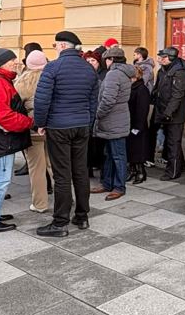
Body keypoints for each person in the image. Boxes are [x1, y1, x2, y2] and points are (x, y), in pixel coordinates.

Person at [33, 31, 99, 236]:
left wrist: (40, 123)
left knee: (62, 175)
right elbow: (93, 100)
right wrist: (88, 122)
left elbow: (42, 99)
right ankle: (82, 216)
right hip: (81, 125)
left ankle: (60, 222)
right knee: (80, 172)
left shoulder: (53, 67)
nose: (55, 48)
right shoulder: (89, 69)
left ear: (62, 46)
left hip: (59, 126)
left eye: (55, 45)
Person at [0, 49, 32, 233]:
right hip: (1, 139)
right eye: (11, 60)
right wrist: (28, 122)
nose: (15, 62)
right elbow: (1, 116)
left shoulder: (0, 80)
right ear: (2, 63)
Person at [91, 47, 135, 200]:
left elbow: (108, 100)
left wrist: (98, 114)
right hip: (117, 119)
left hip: (113, 121)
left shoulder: (113, 74)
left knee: (117, 155)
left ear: (111, 60)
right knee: (110, 154)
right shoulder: (122, 73)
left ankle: (118, 186)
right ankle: (107, 183)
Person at [14, 50, 53, 213]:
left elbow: (15, 105)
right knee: (56, 166)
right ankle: (66, 198)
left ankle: (40, 204)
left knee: (36, 168)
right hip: (53, 128)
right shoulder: (53, 78)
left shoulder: (21, 81)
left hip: (32, 129)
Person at [152, 47, 185, 181]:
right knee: (172, 141)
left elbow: (177, 96)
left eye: (163, 57)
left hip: (175, 114)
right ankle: (180, 165)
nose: (160, 59)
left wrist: (168, 112)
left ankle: (173, 171)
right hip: (164, 111)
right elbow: (157, 90)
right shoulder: (162, 70)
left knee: (173, 143)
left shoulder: (179, 73)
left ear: (171, 58)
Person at [127, 66, 151, 184]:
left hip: (138, 125)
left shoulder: (141, 89)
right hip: (129, 123)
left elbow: (142, 110)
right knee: (131, 149)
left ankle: (141, 172)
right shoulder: (130, 87)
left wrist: (137, 127)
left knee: (138, 150)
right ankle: (132, 170)